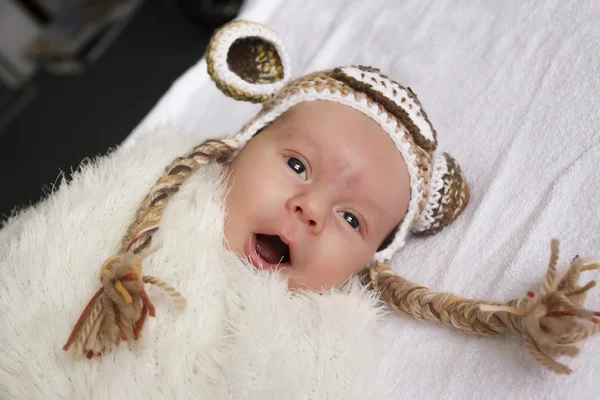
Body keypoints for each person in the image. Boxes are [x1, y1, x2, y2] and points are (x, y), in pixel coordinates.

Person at [64, 20, 599, 375]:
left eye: (351, 218)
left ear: (374, 261)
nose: (311, 210)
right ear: (241, 147)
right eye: (296, 165)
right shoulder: (152, 198)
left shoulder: (319, 351)